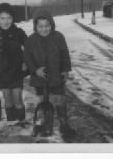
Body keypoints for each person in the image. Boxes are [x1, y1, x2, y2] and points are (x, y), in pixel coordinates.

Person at [23, 9, 75, 137]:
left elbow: (64, 54)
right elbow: (27, 57)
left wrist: (65, 70)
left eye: (47, 26)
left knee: (59, 98)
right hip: (39, 77)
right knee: (42, 100)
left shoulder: (58, 37)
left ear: (52, 25)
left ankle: (64, 123)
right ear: (36, 26)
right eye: (40, 26)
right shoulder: (31, 39)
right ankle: (43, 123)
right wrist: (35, 70)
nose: (44, 29)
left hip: (56, 75)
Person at [0, 3, 28, 122]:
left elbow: (29, 48)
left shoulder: (19, 33)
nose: (6, 21)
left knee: (17, 98)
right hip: (2, 73)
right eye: (2, 18)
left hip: (16, 71)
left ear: (13, 18)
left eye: (9, 18)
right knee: (7, 98)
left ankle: (21, 120)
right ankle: (11, 120)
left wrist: (25, 62)